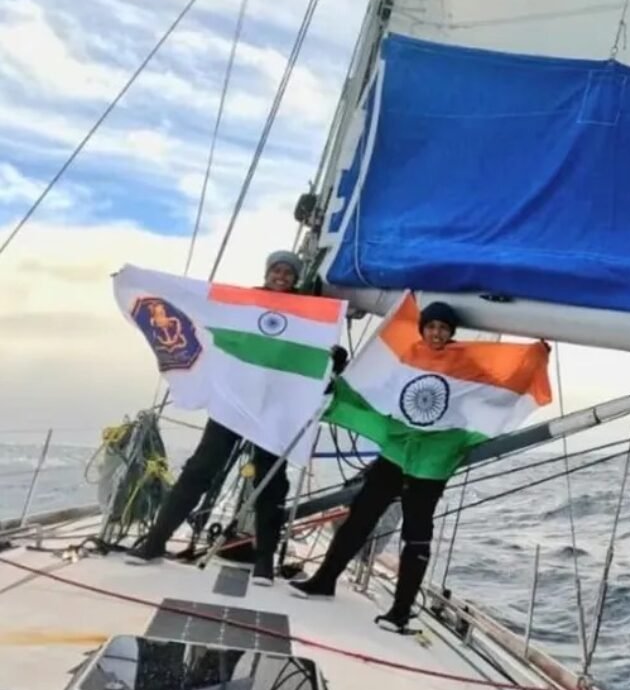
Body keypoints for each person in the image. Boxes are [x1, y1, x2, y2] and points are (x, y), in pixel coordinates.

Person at [290, 302, 549, 633]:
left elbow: (488, 396)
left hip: (433, 459)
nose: (437, 333)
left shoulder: (466, 365)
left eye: (443, 327)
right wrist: (341, 378)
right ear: (422, 329)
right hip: (398, 448)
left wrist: (533, 359)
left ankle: (399, 612)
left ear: (451, 332)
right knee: (360, 516)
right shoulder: (408, 358)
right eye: (431, 326)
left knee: (415, 533)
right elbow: (376, 390)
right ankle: (324, 581)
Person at [128, 250, 347, 587]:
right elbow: (208, 322)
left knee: (271, 483)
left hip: (275, 407)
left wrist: (333, 358)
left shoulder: (311, 316)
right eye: (276, 269)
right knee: (201, 469)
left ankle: (264, 561)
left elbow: (314, 358)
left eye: (289, 272)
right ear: (267, 271)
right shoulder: (246, 302)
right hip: (236, 400)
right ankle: (156, 540)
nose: (282, 275)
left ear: (296, 278)